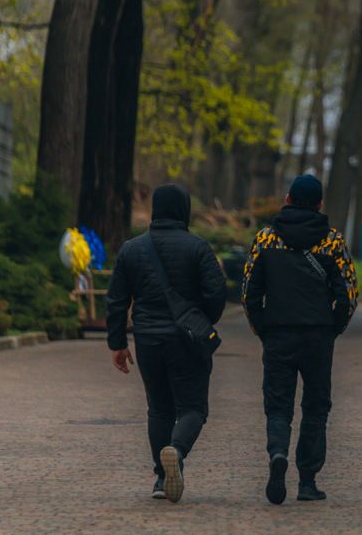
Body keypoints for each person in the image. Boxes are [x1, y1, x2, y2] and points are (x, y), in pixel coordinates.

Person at [106, 184, 227, 503]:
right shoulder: (198, 247)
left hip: (147, 338)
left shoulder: (132, 249)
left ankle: (161, 477)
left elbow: (117, 299)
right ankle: (177, 449)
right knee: (193, 408)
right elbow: (217, 293)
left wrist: (117, 343)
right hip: (187, 340)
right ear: (184, 210)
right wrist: (201, 319)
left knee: (159, 408)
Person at [242, 175, 359, 504]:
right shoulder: (332, 241)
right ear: (320, 204)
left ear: (288, 198)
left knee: (278, 406)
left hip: (278, 332)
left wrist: (262, 328)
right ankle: (307, 480)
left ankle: (278, 453)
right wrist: (334, 326)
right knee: (316, 406)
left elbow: (249, 291)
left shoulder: (266, 239)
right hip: (318, 335)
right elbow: (348, 293)